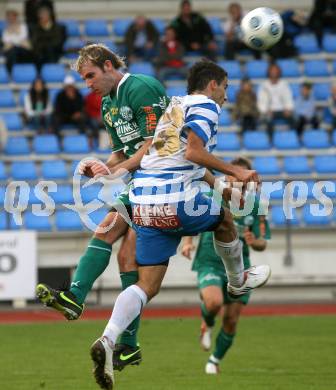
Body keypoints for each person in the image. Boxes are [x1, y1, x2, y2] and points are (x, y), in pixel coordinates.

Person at [89, 60, 271, 390]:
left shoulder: (175, 104)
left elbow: (179, 156)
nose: (226, 97)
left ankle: (108, 337)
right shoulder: (205, 106)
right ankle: (238, 281)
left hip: (142, 202)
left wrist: (218, 184)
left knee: (147, 286)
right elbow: (195, 154)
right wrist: (237, 171)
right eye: (226, 88)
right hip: (172, 197)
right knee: (226, 220)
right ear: (213, 84)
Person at [36, 43, 169, 371]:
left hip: (166, 183)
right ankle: (86, 307)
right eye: (83, 79)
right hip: (141, 185)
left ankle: (122, 337)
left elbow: (156, 146)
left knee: (123, 250)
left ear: (109, 66)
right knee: (112, 239)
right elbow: (123, 153)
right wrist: (101, 164)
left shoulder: (142, 88)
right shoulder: (109, 104)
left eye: (91, 75)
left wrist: (116, 170)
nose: (88, 84)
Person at [181, 156, 271, 375]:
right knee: (213, 303)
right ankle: (207, 322)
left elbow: (262, 242)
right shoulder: (212, 196)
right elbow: (192, 221)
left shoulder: (256, 206)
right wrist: (188, 241)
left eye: (242, 177)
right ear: (228, 177)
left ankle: (214, 360)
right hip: (209, 260)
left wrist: (254, 241)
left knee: (231, 319)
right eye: (234, 175)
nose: (237, 180)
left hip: (241, 265)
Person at [257, 63, 294, 136]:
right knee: (268, 119)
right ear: (269, 72)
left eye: (275, 70)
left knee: (294, 119)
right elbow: (261, 101)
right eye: (272, 70)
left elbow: (288, 98)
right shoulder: (264, 85)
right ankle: (270, 140)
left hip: (282, 110)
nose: (274, 72)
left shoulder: (284, 84)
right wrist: (265, 110)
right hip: (270, 111)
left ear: (279, 72)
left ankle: (293, 138)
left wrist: (288, 109)